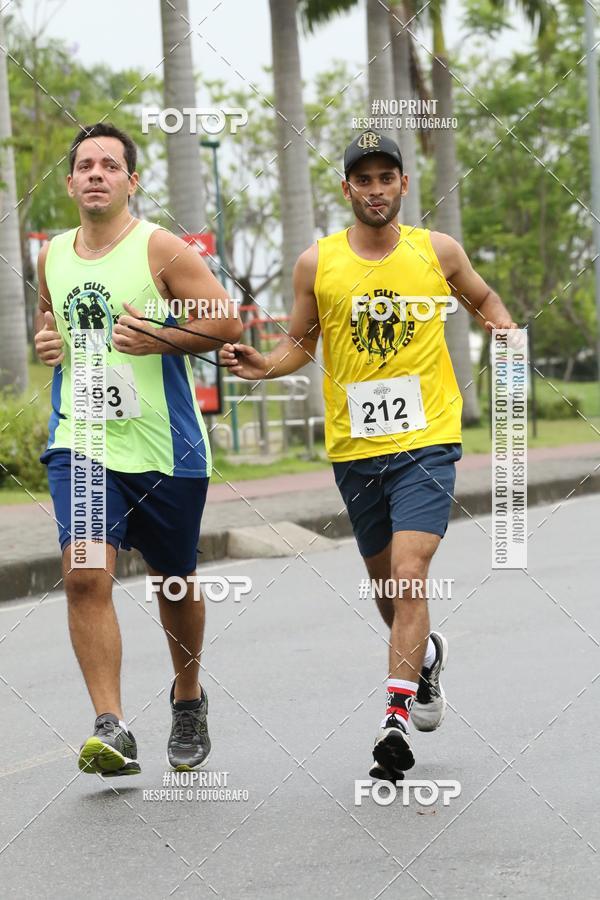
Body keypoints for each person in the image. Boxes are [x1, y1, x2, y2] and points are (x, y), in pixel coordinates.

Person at [220, 130, 517, 780]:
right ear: (347, 188)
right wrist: (262, 365)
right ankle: (425, 659)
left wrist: (504, 331)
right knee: (387, 588)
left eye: (387, 178)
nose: (376, 189)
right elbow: (300, 344)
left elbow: (485, 299)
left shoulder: (437, 251)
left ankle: (394, 720)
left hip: (426, 440)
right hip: (354, 448)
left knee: (410, 573)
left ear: (404, 185)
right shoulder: (316, 263)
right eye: (364, 179)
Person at [35, 122, 242, 776]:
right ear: (70, 183)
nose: (96, 174)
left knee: (173, 581)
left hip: (165, 450)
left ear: (132, 181)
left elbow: (226, 321)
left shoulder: (161, 248)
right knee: (84, 573)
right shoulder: (53, 255)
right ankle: (112, 725)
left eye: (109, 165)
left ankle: (188, 697)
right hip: (83, 441)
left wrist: (161, 337)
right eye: (85, 165)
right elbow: (51, 320)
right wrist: (48, 342)